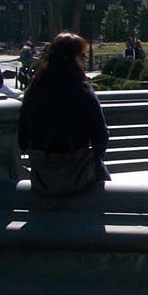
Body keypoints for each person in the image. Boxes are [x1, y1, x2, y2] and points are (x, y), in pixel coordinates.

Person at [18, 32, 109, 195]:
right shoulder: (82, 90)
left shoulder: (33, 91)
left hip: (42, 177)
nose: (84, 61)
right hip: (78, 174)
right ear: (71, 59)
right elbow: (100, 136)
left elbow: (22, 140)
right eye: (82, 56)